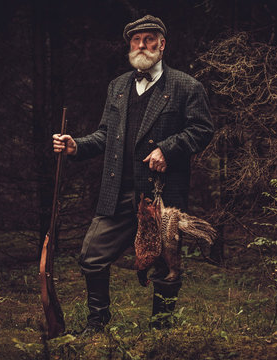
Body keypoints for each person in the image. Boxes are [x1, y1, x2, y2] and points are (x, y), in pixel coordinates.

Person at [53, 14, 214, 334]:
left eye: (149, 39)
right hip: (117, 191)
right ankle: (97, 323)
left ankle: (161, 327)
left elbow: (202, 129)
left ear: (162, 45)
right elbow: (104, 134)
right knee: (92, 256)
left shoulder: (186, 86)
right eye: (135, 40)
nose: (142, 45)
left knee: (166, 266)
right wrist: (76, 146)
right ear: (130, 45)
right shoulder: (118, 87)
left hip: (160, 195)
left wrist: (168, 149)